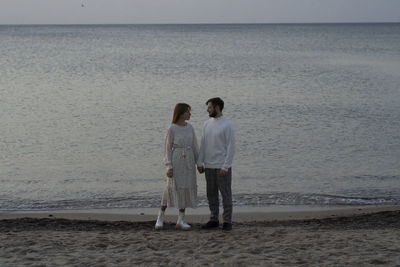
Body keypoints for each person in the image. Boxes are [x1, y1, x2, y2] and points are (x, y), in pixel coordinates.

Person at [155, 103, 199, 230]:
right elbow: (167, 148)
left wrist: (199, 163)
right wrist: (168, 166)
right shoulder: (172, 128)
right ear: (180, 113)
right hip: (177, 160)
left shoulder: (190, 127)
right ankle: (160, 218)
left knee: (185, 188)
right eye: (187, 112)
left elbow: (195, 146)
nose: (190, 114)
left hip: (189, 161)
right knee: (170, 188)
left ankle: (181, 219)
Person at [197, 97, 235, 231]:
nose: (207, 110)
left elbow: (231, 147)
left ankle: (227, 221)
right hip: (209, 166)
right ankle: (213, 219)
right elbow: (203, 144)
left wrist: (226, 166)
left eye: (210, 107)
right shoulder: (206, 124)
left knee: (226, 195)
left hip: (222, 167)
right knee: (211, 194)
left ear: (217, 108)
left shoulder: (227, 125)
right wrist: (199, 162)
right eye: (208, 108)